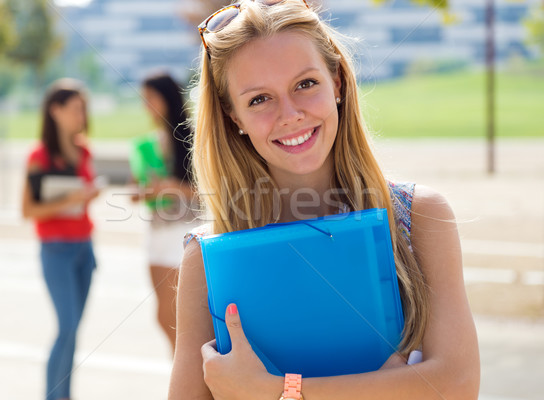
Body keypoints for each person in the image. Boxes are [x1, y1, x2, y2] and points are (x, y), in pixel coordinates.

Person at [168, 1, 480, 399]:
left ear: (337, 82)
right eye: (259, 99)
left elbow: (458, 384)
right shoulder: (207, 258)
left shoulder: (418, 216)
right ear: (234, 117)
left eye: (305, 84)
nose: (290, 114)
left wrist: (278, 391)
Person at [21, 78, 99, 400]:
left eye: (84, 108)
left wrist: (88, 196)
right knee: (66, 328)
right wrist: (69, 199)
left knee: (73, 334)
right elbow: (28, 210)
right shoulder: (39, 156)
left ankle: (65, 395)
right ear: (55, 111)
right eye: (75, 108)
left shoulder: (84, 151)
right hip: (56, 251)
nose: (82, 114)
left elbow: (83, 200)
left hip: (85, 248)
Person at [129, 73, 197, 354]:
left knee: (181, 318)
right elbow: (135, 190)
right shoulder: (145, 144)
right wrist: (144, 191)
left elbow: (210, 190)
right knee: (164, 317)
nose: (146, 105)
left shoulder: (193, 136)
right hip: (157, 231)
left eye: (151, 98)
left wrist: (174, 188)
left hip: (185, 231)